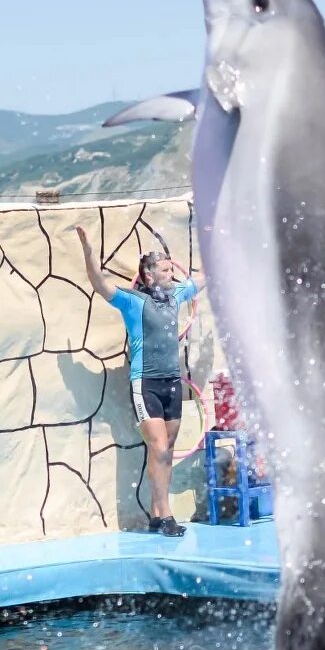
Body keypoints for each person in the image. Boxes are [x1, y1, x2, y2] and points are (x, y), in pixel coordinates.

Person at [77, 228, 204, 535]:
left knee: (167, 449)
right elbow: (99, 284)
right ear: (148, 275)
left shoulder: (175, 296)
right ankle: (165, 513)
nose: (170, 273)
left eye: (171, 269)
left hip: (173, 382)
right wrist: (88, 250)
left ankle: (157, 514)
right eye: (164, 269)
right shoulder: (133, 302)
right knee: (159, 447)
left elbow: (202, 280)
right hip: (145, 383)